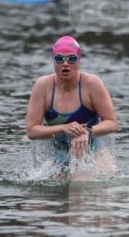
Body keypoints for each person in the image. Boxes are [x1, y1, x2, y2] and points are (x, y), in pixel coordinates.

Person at [26, 36, 119, 171]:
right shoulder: (43, 86)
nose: (65, 63)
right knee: (52, 190)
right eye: (59, 58)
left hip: (92, 148)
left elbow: (112, 122)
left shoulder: (92, 84)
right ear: (53, 61)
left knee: (88, 185)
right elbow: (31, 130)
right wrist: (63, 128)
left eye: (72, 58)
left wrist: (88, 131)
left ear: (80, 60)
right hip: (59, 152)